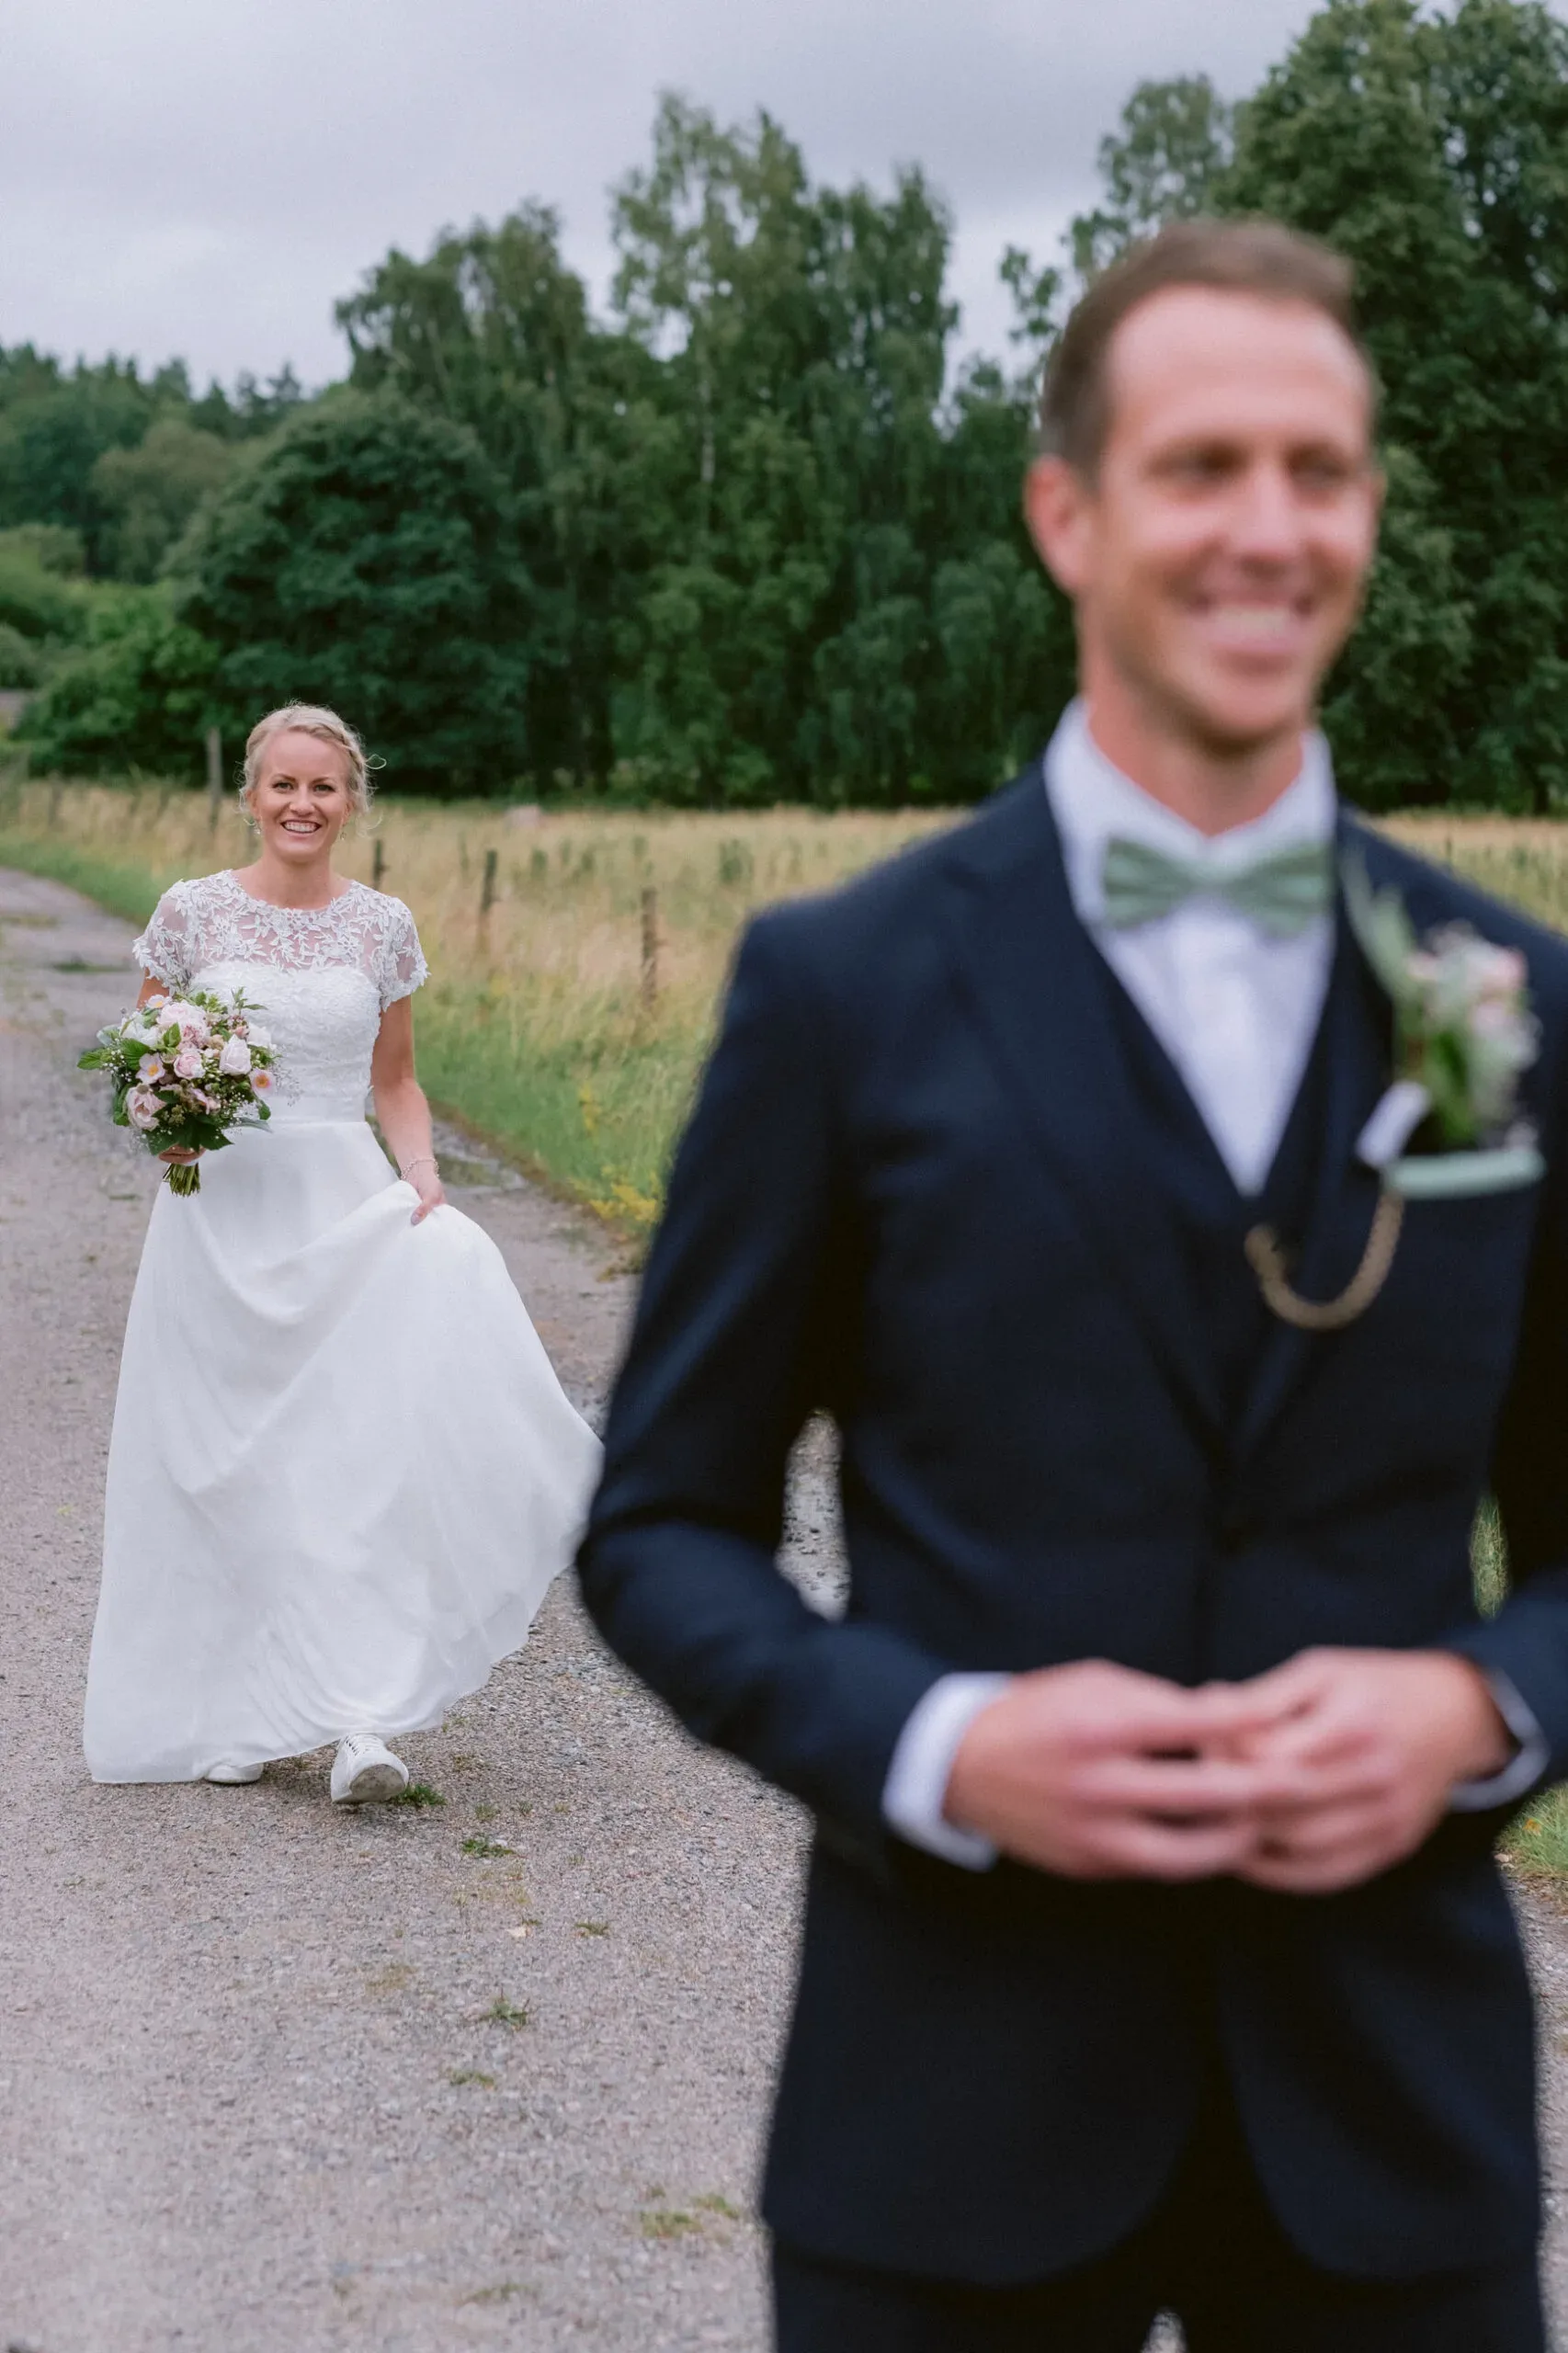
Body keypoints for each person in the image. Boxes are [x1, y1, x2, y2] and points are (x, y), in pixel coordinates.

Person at [578, 220, 1568, 2348]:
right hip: (944, 2112)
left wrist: (1475, 1706)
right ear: (1066, 510)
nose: (1267, 528)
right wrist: (937, 1738)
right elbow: (660, 1527)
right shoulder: (839, 991)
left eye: (1319, 471)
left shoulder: (1501, 998)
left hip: (1389, 2136)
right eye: (1200, 464)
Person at [84, 703, 601, 1804]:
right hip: (219, 1221)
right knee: (223, 1469)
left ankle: (358, 1716)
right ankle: (237, 1706)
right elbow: (146, 1066)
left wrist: (419, 1175)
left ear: (351, 800)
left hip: (340, 1211)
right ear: (252, 794)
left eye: (323, 788)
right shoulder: (189, 915)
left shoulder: (381, 927)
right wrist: (169, 1119)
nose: (302, 805)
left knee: (348, 1466)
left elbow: (396, 1081)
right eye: (283, 785)